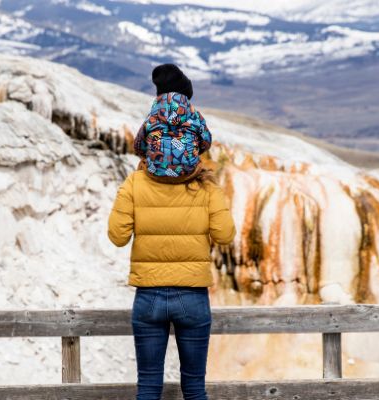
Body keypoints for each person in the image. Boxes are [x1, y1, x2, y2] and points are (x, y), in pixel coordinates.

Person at [107, 64, 235, 400]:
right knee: (194, 387)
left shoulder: (135, 183)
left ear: (148, 142)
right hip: (193, 296)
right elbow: (225, 235)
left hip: (148, 296)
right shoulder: (206, 187)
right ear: (196, 143)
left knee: (148, 386)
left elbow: (117, 236)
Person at [134, 64, 212, 183]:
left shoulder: (152, 117)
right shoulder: (195, 116)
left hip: (155, 172)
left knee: (140, 168)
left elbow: (138, 146)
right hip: (188, 173)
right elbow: (206, 142)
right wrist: (192, 150)